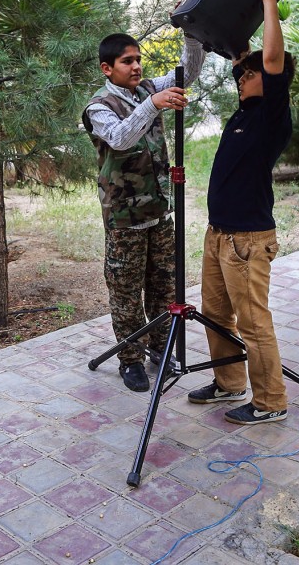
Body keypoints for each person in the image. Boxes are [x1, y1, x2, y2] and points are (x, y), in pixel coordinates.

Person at [187, 0, 295, 424]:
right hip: (220, 236)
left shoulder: (272, 112)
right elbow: (243, 54)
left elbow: (270, 57)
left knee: (253, 322)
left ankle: (271, 402)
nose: (242, 77)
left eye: (250, 75)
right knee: (216, 313)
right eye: (241, 74)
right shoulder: (244, 112)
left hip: (248, 239)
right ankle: (230, 383)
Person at [82, 31, 205, 391]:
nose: (136, 66)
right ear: (107, 68)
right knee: (125, 292)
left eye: (138, 59)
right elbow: (120, 138)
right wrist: (153, 103)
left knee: (163, 286)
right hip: (124, 219)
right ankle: (130, 360)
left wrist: (192, 39)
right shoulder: (98, 107)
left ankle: (160, 350)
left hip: (159, 211)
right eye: (127, 61)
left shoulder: (146, 89)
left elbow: (188, 74)